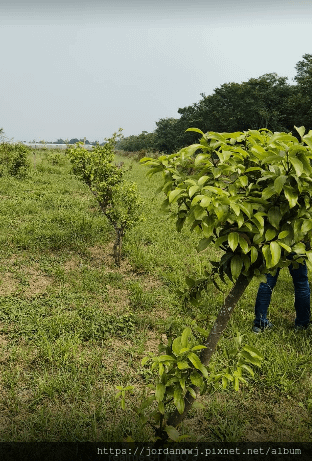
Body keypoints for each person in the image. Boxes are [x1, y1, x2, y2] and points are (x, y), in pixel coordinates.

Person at [253, 256, 311, 333]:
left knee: (267, 282)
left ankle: (260, 323)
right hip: (296, 246)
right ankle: (302, 324)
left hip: (274, 246)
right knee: (301, 283)